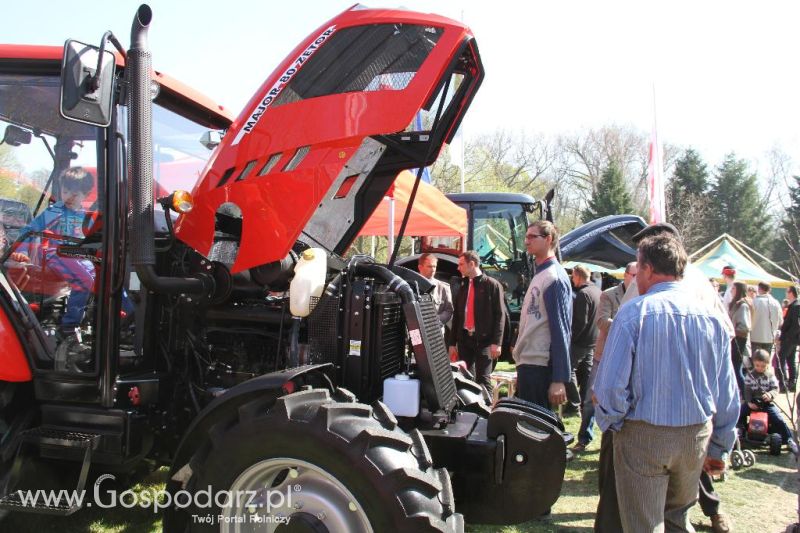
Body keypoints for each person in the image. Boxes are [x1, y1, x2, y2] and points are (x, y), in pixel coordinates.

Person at [594, 233, 739, 533]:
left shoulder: (633, 313)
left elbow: (609, 388)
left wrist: (615, 422)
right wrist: (720, 444)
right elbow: (727, 392)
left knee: (644, 525)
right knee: (677, 520)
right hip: (694, 436)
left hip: (643, 435)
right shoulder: (712, 317)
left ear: (646, 269)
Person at [12, 167, 96, 335]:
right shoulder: (55, 211)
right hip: (57, 254)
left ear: (85, 196)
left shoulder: (86, 216)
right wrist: (22, 252)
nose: (69, 197)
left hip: (79, 257)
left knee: (103, 274)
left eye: (75, 194)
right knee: (85, 280)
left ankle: (101, 318)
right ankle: (69, 325)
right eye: (65, 192)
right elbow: (29, 231)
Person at [572, 261, 636, 454]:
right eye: (634, 274)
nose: (636, 278)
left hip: (630, 356)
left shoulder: (644, 295)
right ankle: (584, 437)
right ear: (625, 275)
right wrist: (629, 326)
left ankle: (617, 444)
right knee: (592, 397)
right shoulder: (608, 295)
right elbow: (601, 321)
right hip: (604, 354)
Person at [512, 220, 571, 409]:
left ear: (548, 239)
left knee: (536, 432)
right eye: (526, 237)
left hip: (540, 367)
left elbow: (561, 329)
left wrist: (559, 378)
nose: (526, 241)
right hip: (530, 364)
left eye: (532, 236)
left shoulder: (553, 277)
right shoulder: (541, 275)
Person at [449, 250, 504, 391]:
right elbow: (457, 315)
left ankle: (487, 411)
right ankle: (470, 410)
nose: (458, 268)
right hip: (465, 339)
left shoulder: (492, 285)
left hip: (485, 341)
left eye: (461, 264)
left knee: (483, 380)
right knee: (465, 378)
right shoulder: (462, 286)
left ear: (472, 264)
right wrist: (452, 343)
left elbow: (500, 315)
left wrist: (496, 343)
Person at [738, 349, 799, 456]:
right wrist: (748, 402)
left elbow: (775, 388)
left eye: (763, 366)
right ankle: (739, 431)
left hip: (766, 404)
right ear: (754, 363)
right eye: (757, 365)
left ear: (767, 365)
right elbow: (746, 390)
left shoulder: (770, 376)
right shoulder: (750, 376)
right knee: (739, 412)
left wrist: (770, 395)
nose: (760, 368)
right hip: (752, 403)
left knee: (778, 418)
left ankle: (789, 439)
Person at [564, 264, 600, 417]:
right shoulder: (597, 291)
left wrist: (571, 339)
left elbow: (580, 321)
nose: (572, 279)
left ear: (577, 276)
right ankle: (585, 403)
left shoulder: (583, 294)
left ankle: (574, 404)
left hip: (580, 341)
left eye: (573, 276)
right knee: (587, 374)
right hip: (593, 340)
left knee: (567, 370)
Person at [417, 253, 454, 329]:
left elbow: (449, 310)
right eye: (429, 266)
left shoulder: (443, 287)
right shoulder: (410, 286)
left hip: (437, 332)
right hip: (416, 330)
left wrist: (437, 320)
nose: (433, 269)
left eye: (434, 266)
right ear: (420, 267)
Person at [729, 281, 753, 395]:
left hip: (739, 340)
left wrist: (733, 331)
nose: (731, 290)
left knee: (737, 367)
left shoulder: (743, 305)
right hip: (735, 339)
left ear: (738, 290)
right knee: (734, 367)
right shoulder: (737, 304)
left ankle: (746, 393)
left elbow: (744, 326)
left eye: (733, 288)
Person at [776, 285, 800, 392]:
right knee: (790, 360)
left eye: (787, 291)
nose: (786, 293)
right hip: (792, 338)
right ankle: (792, 382)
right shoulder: (794, 305)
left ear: (791, 293)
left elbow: (795, 325)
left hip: (789, 338)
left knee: (781, 359)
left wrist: (786, 337)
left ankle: (784, 383)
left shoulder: (795, 306)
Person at [750, 281, 783, 356]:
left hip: (755, 337)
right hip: (769, 337)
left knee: (755, 362)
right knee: (765, 362)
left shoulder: (754, 302)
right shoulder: (776, 303)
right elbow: (781, 321)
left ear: (759, 289)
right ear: (769, 290)